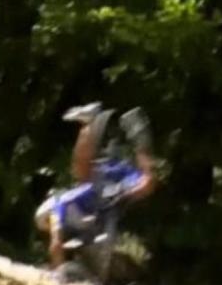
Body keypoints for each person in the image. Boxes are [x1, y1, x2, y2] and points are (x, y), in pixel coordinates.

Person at [35, 103, 157, 270]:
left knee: (81, 176)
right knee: (82, 175)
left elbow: (147, 184)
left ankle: (89, 124)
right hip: (92, 210)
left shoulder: (68, 200)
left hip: (91, 208)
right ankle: (89, 125)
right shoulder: (101, 176)